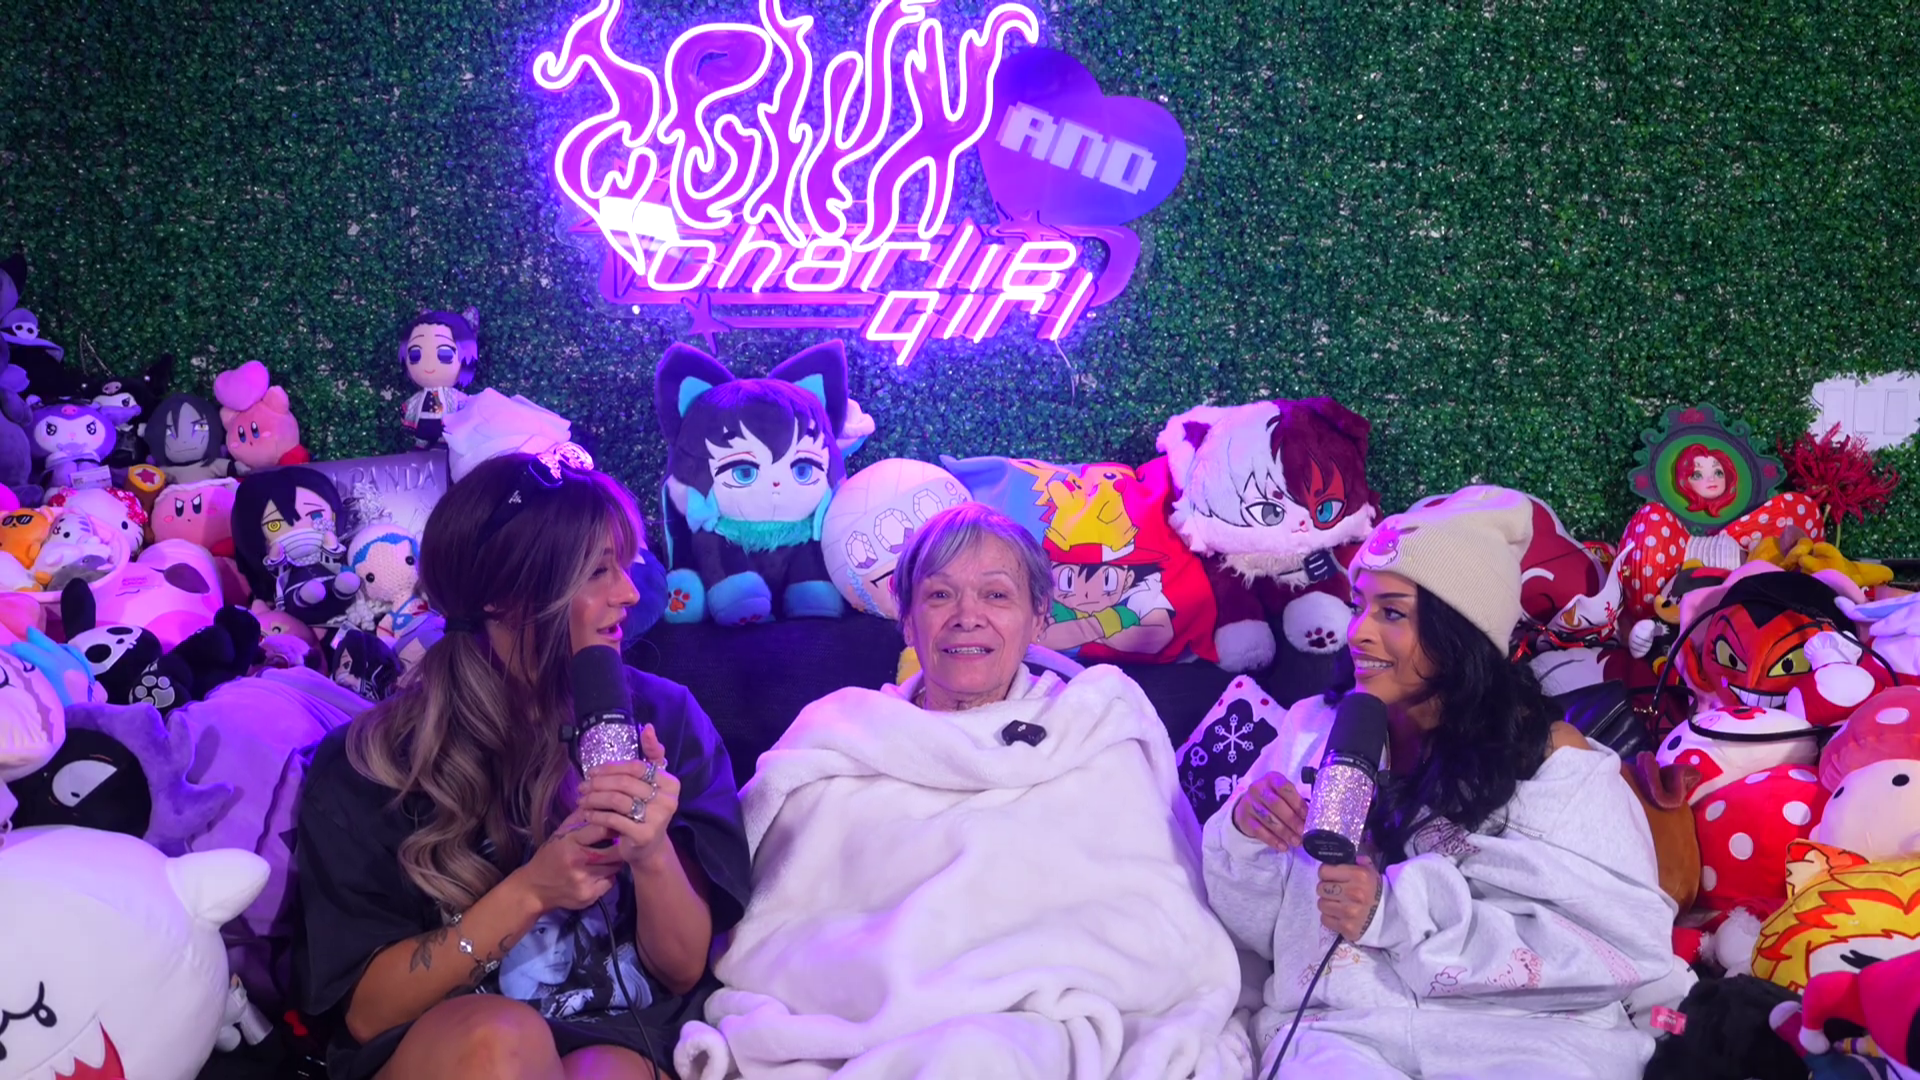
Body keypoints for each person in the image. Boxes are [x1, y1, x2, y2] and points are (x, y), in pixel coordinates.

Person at [674, 502, 1249, 1080]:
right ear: (907, 620)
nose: (967, 616)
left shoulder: (1096, 725)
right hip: (876, 1021)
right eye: (940, 595)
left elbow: (1156, 916)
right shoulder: (838, 735)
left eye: (996, 595)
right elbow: (781, 920)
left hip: (1049, 1024)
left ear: (1038, 618)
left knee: (977, 1056)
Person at [295, 450, 751, 1080]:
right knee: (500, 1041)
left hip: (622, 1038)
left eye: (626, 565)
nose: (628, 593)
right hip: (456, 1049)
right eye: (597, 571)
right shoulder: (371, 764)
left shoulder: (664, 719)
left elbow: (680, 971)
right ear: (504, 598)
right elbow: (369, 1014)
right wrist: (532, 892)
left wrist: (651, 854)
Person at [1202, 486, 1676, 1080]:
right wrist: (1246, 836)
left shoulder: (1553, 762)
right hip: (1341, 1034)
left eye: (1392, 613)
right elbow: (1259, 933)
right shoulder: (1310, 730)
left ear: (1461, 634)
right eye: (1359, 605)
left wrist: (1399, 914)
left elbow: (1620, 944)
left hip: (1527, 1039)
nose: (1358, 632)